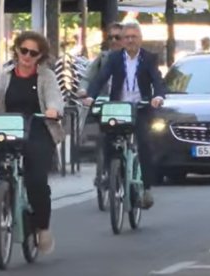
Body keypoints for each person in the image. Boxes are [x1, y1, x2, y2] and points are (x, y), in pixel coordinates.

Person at [0, 31, 65, 254]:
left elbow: (54, 97)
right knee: (0, 147)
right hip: (9, 126)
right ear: (17, 50)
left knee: (36, 181)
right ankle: (6, 186)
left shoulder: (46, 76)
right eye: (24, 50)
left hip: (38, 128)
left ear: (40, 56)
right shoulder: (5, 75)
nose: (27, 56)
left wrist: (53, 109)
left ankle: (42, 227)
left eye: (33, 53)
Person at [82, 22, 166, 209]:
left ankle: (147, 188)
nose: (129, 40)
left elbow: (157, 80)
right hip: (118, 108)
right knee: (107, 139)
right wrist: (90, 96)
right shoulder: (114, 58)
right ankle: (110, 174)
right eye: (126, 37)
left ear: (140, 39)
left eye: (133, 37)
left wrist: (158, 96)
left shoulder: (149, 58)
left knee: (144, 142)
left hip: (140, 108)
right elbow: (100, 78)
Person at [78, 22, 124, 191]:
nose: (113, 40)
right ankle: (105, 172)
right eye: (110, 37)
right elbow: (88, 77)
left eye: (117, 37)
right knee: (105, 137)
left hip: (128, 107)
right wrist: (83, 90)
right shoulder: (103, 58)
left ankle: (139, 175)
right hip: (108, 106)